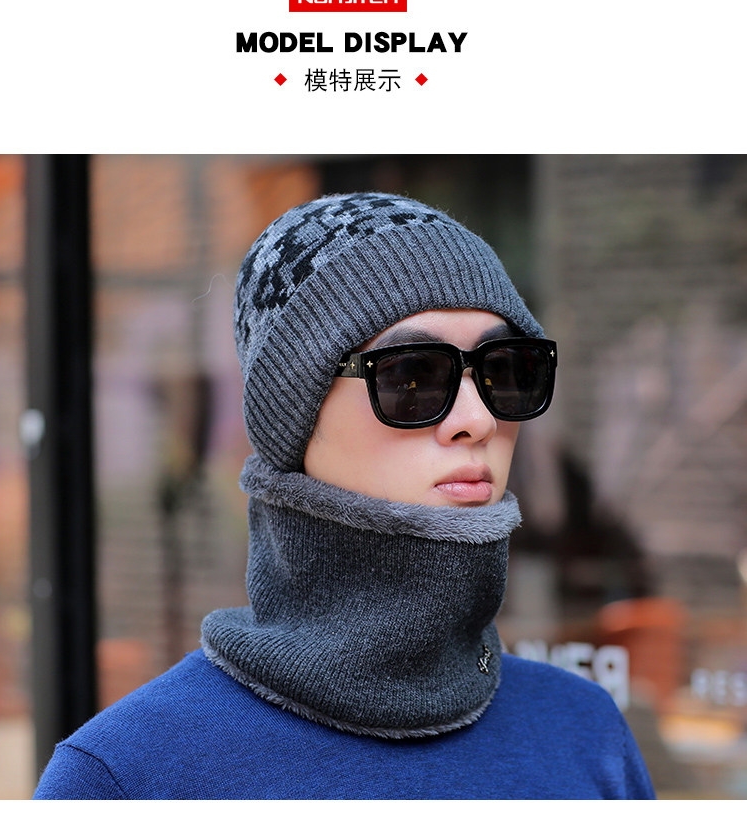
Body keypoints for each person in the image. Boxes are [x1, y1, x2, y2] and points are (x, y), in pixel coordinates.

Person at [34, 191, 655, 799]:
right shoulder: (127, 775)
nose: (478, 419)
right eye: (412, 375)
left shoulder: (584, 733)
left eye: (506, 370)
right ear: (293, 420)